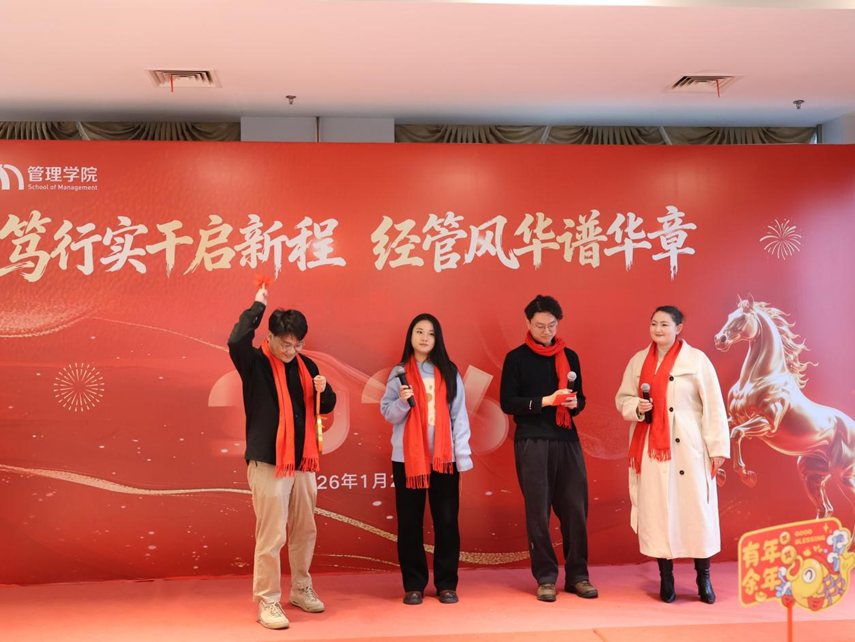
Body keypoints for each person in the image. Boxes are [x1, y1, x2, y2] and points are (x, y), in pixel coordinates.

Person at [228, 283, 337, 629]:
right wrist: (258, 306)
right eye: (285, 343)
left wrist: (325, 390)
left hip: (303, 462)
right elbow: (235, 340)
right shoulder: (254, 362)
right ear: (271, 337)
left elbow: (327, 405)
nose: (291, 350)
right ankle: (268, 600)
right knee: (272, 534)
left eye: (297, 344)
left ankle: (301, 588)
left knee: (305, 529)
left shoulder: (307, 365)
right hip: (268, 462)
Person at [615, 306, 729, 604]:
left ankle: (703, 578)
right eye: (654, 323)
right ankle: (666, 579)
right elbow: (623, 398)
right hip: (652, 446)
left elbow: (714, 406)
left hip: (690, 447)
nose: (658, 329)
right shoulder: (639, 361)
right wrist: (636, 407)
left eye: (665, 324)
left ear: (679, 328)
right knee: (659, 511)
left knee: (696, 511)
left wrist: (717, 448)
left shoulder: (697, 360)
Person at [499, 295, 597, 602]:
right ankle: (546, 577)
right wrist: (547, 400)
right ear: (528, 323)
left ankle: (578, 576)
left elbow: (581, 399)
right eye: (540, 325)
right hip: (532, 440)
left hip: (567, 439)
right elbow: (508, 403)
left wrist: (573, 403)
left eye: (552, 325)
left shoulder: (570, 356)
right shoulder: (516, 358)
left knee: (576, 510)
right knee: (538, 513)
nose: (546, 331)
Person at [380, 313, 473, 605]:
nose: (424, 338)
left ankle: (446, 583)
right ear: (410, 336)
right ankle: (414, 585)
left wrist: (461, 455)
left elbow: (459, 415)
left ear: (437, 339)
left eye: (430, 333)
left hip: (444, 460)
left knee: (446, 520)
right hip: (408, 459)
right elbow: (387, 413)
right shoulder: (399, 372)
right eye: (419, 332)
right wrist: (402, 402)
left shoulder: (449, 371)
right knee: (409, 522)